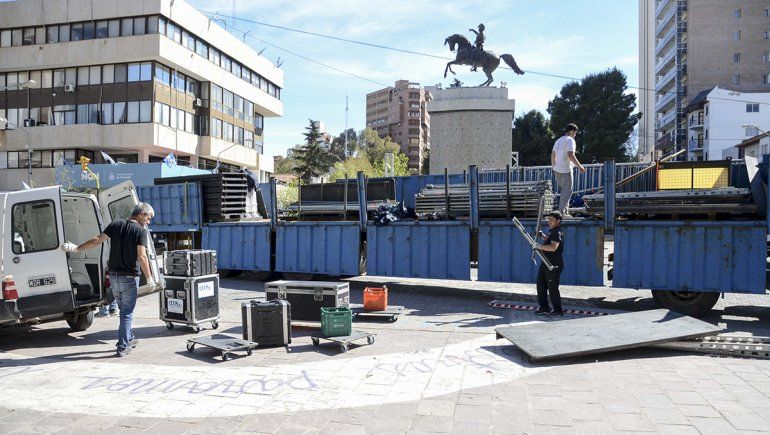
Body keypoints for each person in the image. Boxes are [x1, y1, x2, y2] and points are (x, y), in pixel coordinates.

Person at [62, 203, 156, 357]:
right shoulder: (140, 231)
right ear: (141, 214)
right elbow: (142, 256)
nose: (149, 222)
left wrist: (76, 248)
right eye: (148, 218)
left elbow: (96, 240)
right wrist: (150, 278)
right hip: (129, 278)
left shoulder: (116, 224)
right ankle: (122, 346)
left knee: (123, 310)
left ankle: (129, 337)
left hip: (114, 278)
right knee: (127, 313)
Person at [533, 211, 566, 317]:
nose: (549, 221)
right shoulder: (552, 232)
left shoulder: (557, 232)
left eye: (552, 219)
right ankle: (544, 308)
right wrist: (542, 236)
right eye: (549, 219)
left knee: (552, 288)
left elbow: (553, 247)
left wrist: (539, 246)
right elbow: (549, 241)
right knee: (541, 286)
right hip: (545, 263)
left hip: (553, 265)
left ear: (558, 221)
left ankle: (558, 311)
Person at [551, 123, 586, 215]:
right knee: (567, 192)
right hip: (566, 169)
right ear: (572, 131)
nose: (575, 135)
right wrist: (580, 166)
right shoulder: (570, 140)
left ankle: (565, 213)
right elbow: (570, 154)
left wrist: (554, 166)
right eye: (575, 133)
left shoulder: (558, 140)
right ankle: (560, 214)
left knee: (564, 192)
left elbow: (553, 154)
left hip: (557, 169)